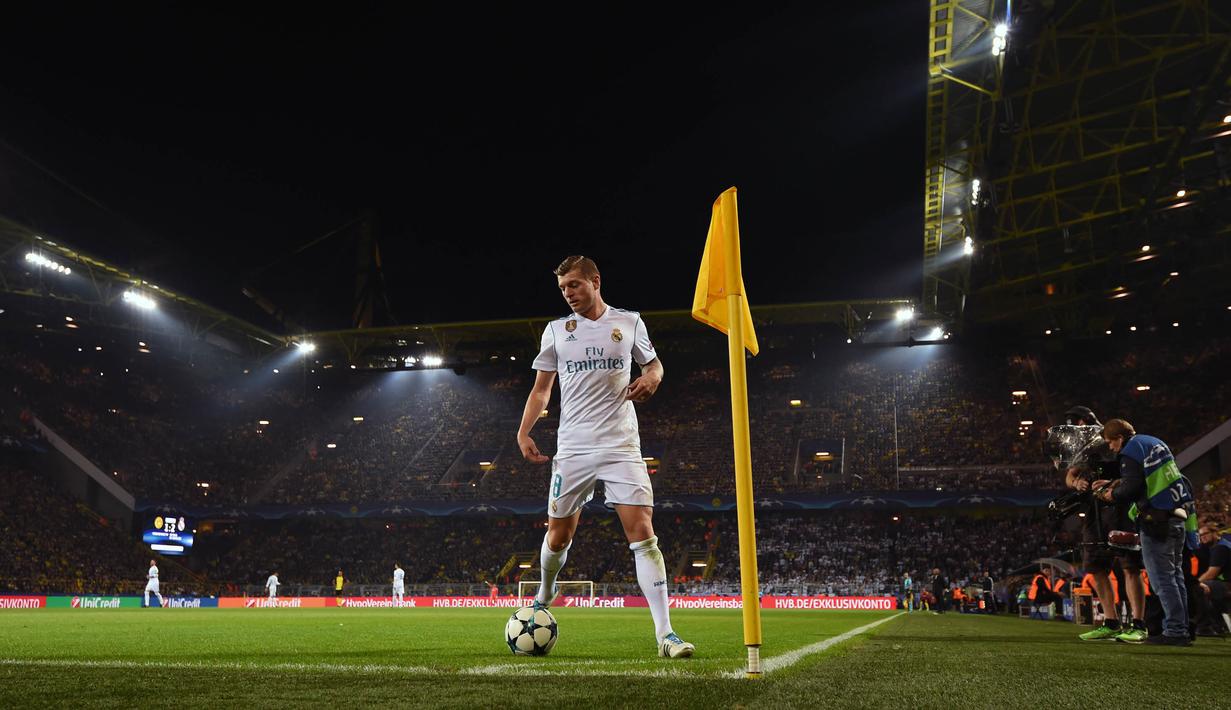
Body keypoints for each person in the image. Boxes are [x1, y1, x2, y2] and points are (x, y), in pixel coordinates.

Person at [517, 255, 693, 659]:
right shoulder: (557, 331)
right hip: (573, 448)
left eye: (575, 285)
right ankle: (546, 590)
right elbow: (542, 389)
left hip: (621, 446)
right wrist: (524, 431)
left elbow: (655, 365)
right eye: (563, 289)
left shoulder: (628, 322)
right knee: (559, 535)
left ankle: (666, 635)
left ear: (595, 281)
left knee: (643, 533)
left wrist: (651, 378)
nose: (568, 294)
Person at [1095, 419, 1198, 646]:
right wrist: (1115, 482)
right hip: (1176, 518)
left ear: (1119, 438)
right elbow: (1147, 479)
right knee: (1175, 578)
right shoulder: (1153, 442)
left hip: (1156, 521)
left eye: (1110, 443)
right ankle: (1182, 627)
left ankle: (1175, 631)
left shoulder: (1130, 450)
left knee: (1162, 580)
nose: (1111, 448)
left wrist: (1110, 495)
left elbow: (1132, 489)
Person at [1061, 406, 1147, 643]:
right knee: (1096, 567)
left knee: (1130, 565)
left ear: (1087, 421)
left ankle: (1139, 623)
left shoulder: (1116, 441)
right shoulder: (1082, 448)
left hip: (1120, 507)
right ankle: (1110, 622)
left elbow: (1133, 474)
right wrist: (1076, 483)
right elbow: (1070, 475)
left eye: (1076, 424)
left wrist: (1113, 484)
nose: (1075, 430)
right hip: (1094, 510)